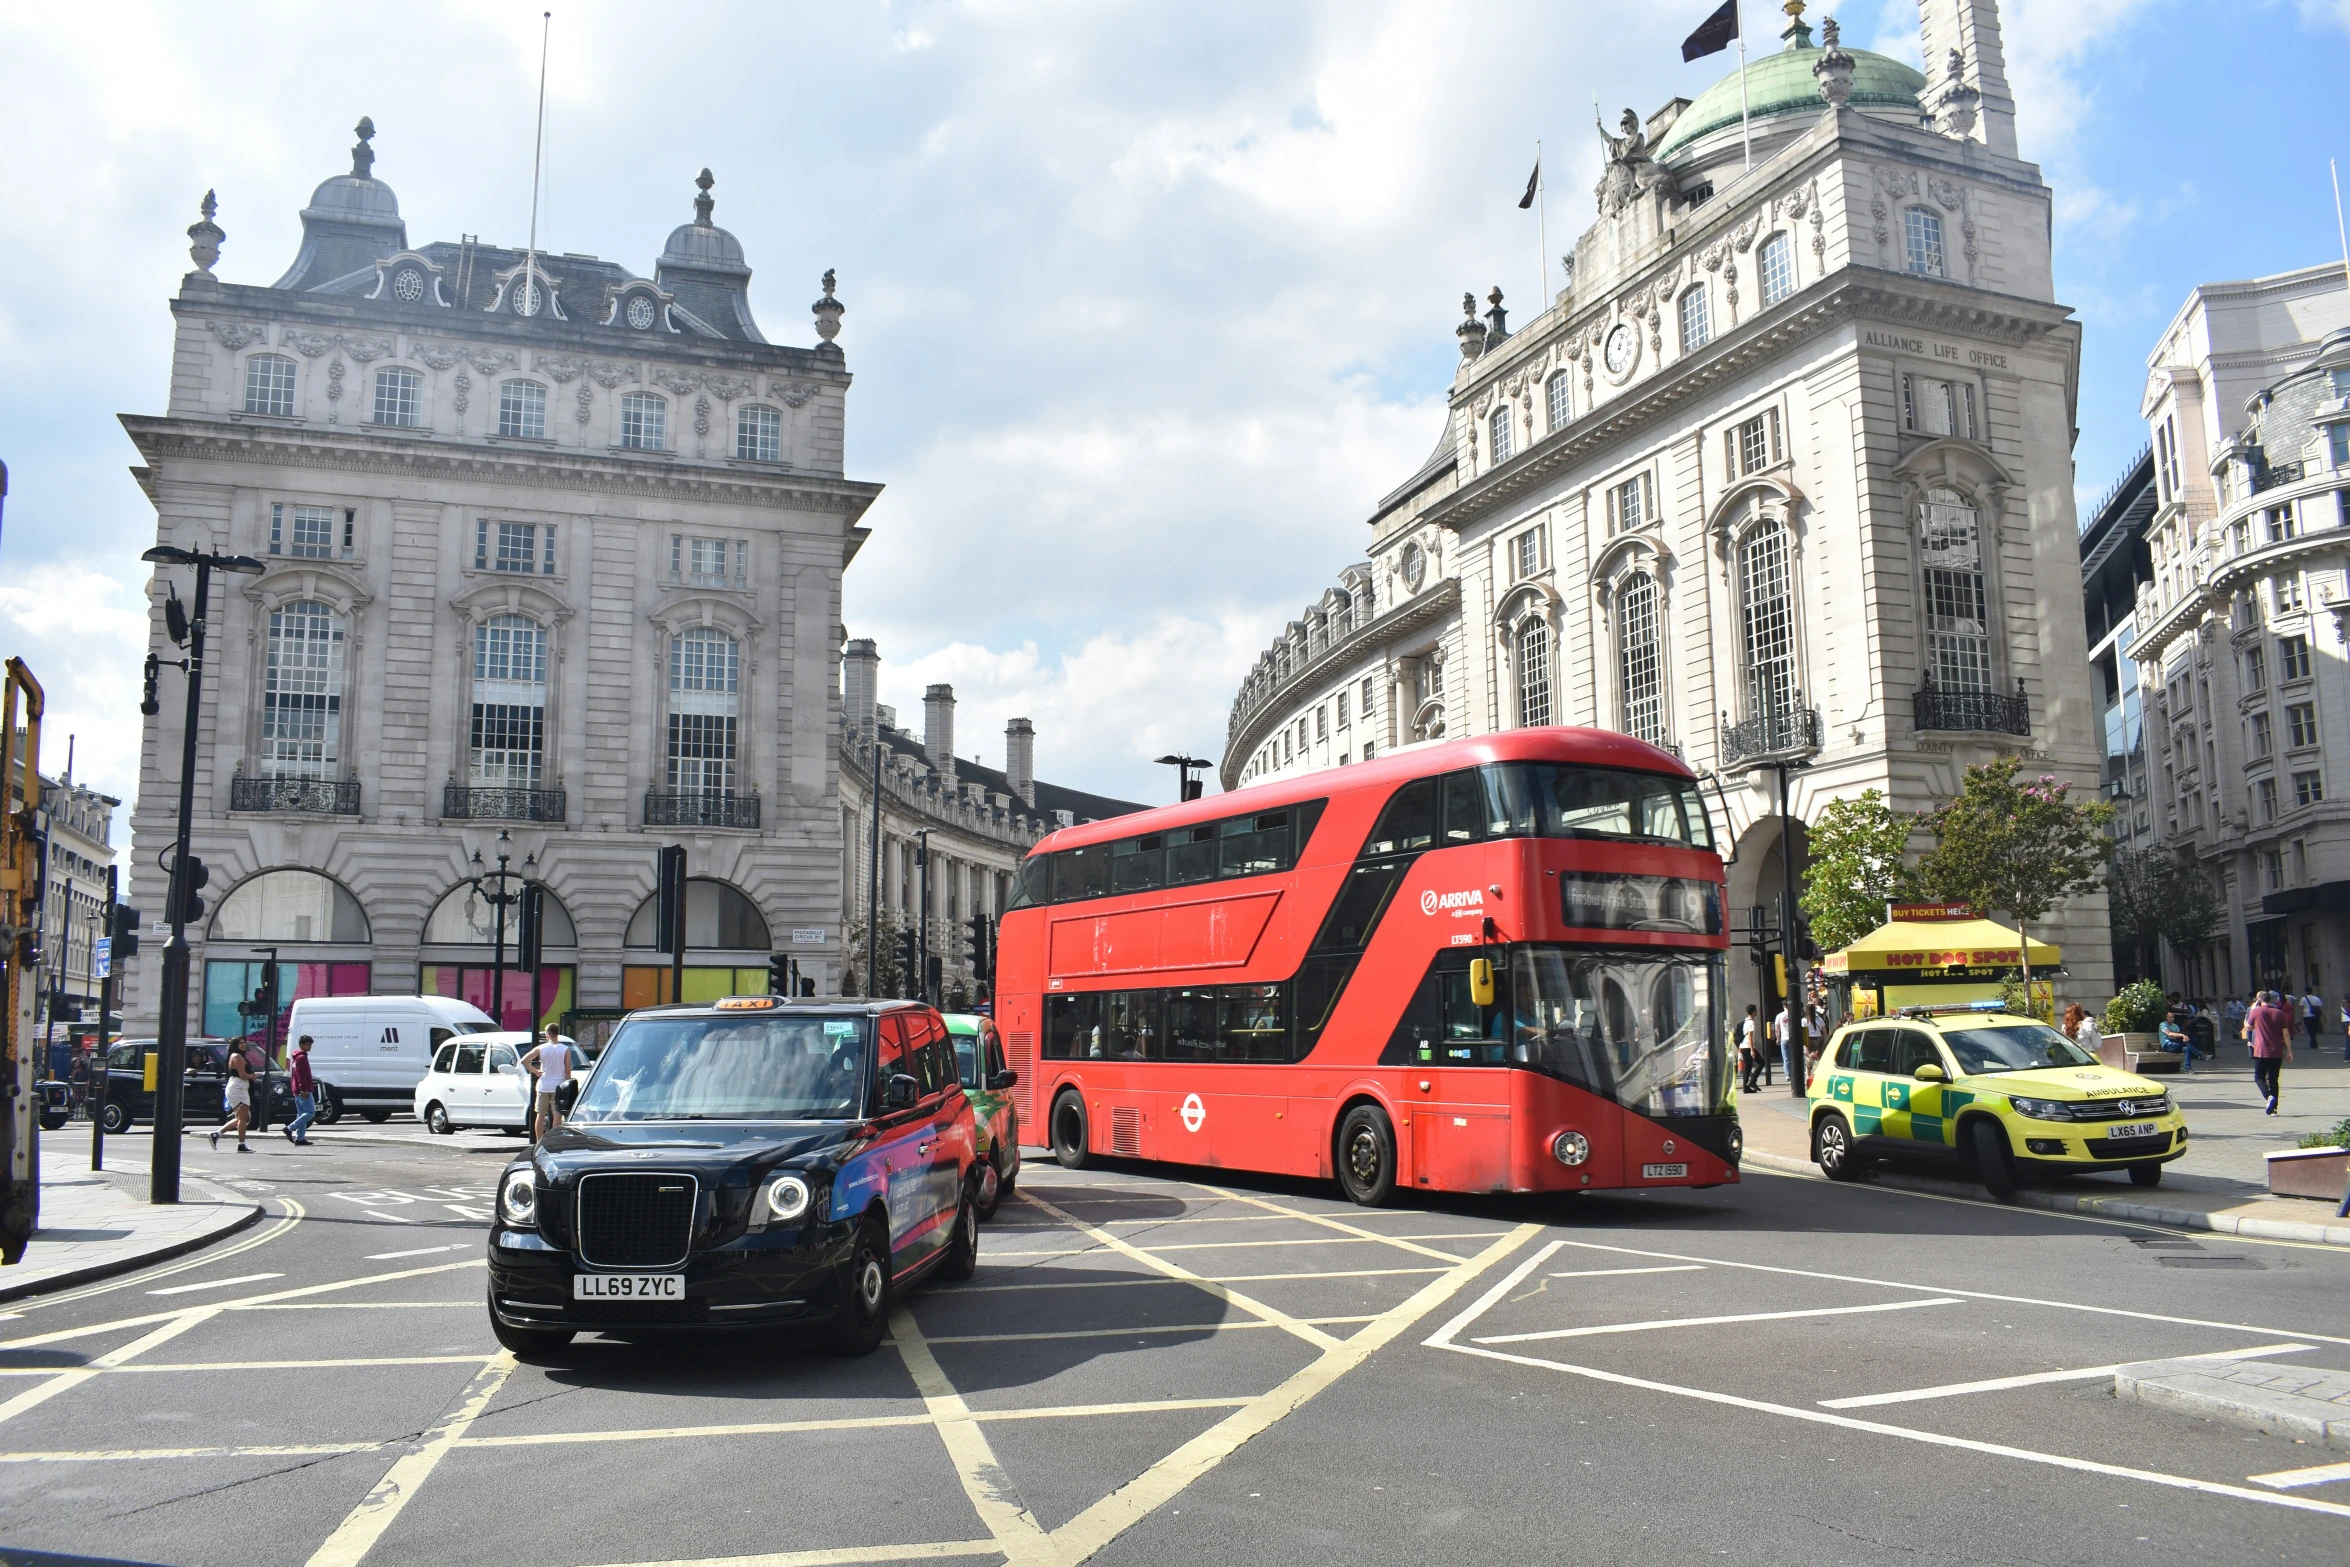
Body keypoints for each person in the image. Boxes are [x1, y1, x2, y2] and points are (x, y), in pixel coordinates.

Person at [519, 1028, 573, 1140]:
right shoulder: (565, 1049)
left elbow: (524, 1060)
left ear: (548, 1034)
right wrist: (568, 1084)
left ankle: (539, 1141)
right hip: (558, 1086)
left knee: (540, 1115)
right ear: (557, 1033)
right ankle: (554, 1140)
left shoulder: (541, 1048)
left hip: (543, 1085)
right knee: (557, 1115)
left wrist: (535, 1071)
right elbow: (567, 1070)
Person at [2247, 989, 2292, 1115]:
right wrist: (2289, 1051)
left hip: (2260, 1050)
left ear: (2259, 1000)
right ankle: (2274, 1108)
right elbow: (2286, 1034)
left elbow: (2248, 1028)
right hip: (2276, 1051)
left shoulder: (2255, 1012)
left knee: (2259, 1077)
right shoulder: (2279, 1013)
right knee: (2273, 1080)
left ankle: (2268, 1097)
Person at [208, 1040, 254, 1153]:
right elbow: (243, 1075)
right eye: (241, 1043)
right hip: (238, 1088)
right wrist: (252, 1076)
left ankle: (216, 1134)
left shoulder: (238, 1056)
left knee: (240, 1118)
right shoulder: (237, 1057)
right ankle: (241, 1145)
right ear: (235, 1045)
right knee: (243, 1119)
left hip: (240, 1087)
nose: (244, 1044)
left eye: (244, 1042)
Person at [283, 1034, 318, 1146]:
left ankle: (300, 1138)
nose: (310, 1047)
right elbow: (301, 1075)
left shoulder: (297, 1057)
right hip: (303, 1089)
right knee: (310, 1112)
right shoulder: (302, 1057)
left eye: (310, 1045)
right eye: (308, 1045)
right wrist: (304, 1089)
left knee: (302, 1113)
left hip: (297, 1089)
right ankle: (290, 1128)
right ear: (302, 1044)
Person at [1775, 999, 1801, 1096]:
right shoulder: (1794, 1014)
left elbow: (1777, 1029)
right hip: (1793, 1038)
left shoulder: (1779, 1016)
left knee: (1786, 1058)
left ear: (1783, 1006)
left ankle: (1788, 1075)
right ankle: (1797, 1073)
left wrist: (1778, 1038)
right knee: (1795, 1056)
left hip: (1784, 1038)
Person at [2159, 1007, 2193, 1073]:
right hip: (2166, 1045)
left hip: (2175, 1045)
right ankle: (2200, 1055)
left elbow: (2175, 1038)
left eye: (2172, 1017)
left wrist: (2181, 1038)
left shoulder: (2175, 1026)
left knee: (2187, 1049)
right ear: (2166, 1018)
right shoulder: (2163, 1024)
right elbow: (2169, 1034)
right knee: (2185, 1045)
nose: (2171, 1018)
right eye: (2169, 1017)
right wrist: (2182, 1035)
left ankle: (2187, 1068)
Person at [1737, 1005, 1761, 1094]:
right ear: (1754, 1012)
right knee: (1761, 1062)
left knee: (1747, 1067)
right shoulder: (1751, 1022)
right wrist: (1752, 1049)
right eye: (1756, 1010)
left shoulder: (1745, 1021)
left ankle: (1746, 1087)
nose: (1757, 1011)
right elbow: (1750, 1036)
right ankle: (1752, 1081)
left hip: (1743, 1046)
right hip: (1748, 1046)